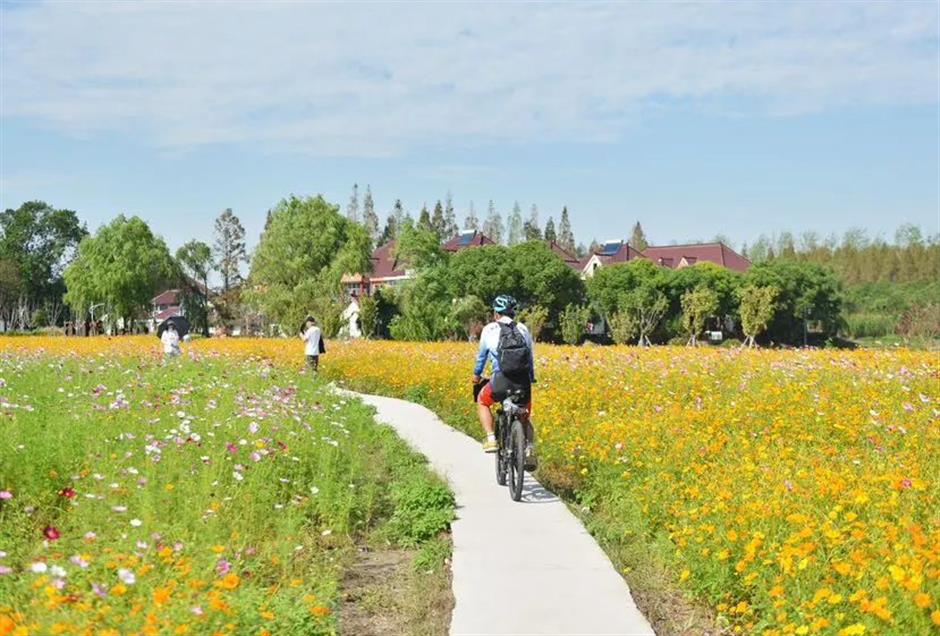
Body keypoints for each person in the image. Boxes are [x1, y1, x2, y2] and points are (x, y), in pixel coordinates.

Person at [472, 295, 536, 467]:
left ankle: (491, 438)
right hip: (522, 383)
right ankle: (529, 449)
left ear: (496, 313)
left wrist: (476, 376)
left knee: (482, 401)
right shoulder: (522, 329)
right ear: (513, 313)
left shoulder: (489, 329)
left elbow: (481, 358)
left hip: (499, 381)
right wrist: (531, 378)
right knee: (524, 414)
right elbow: (530, 357)